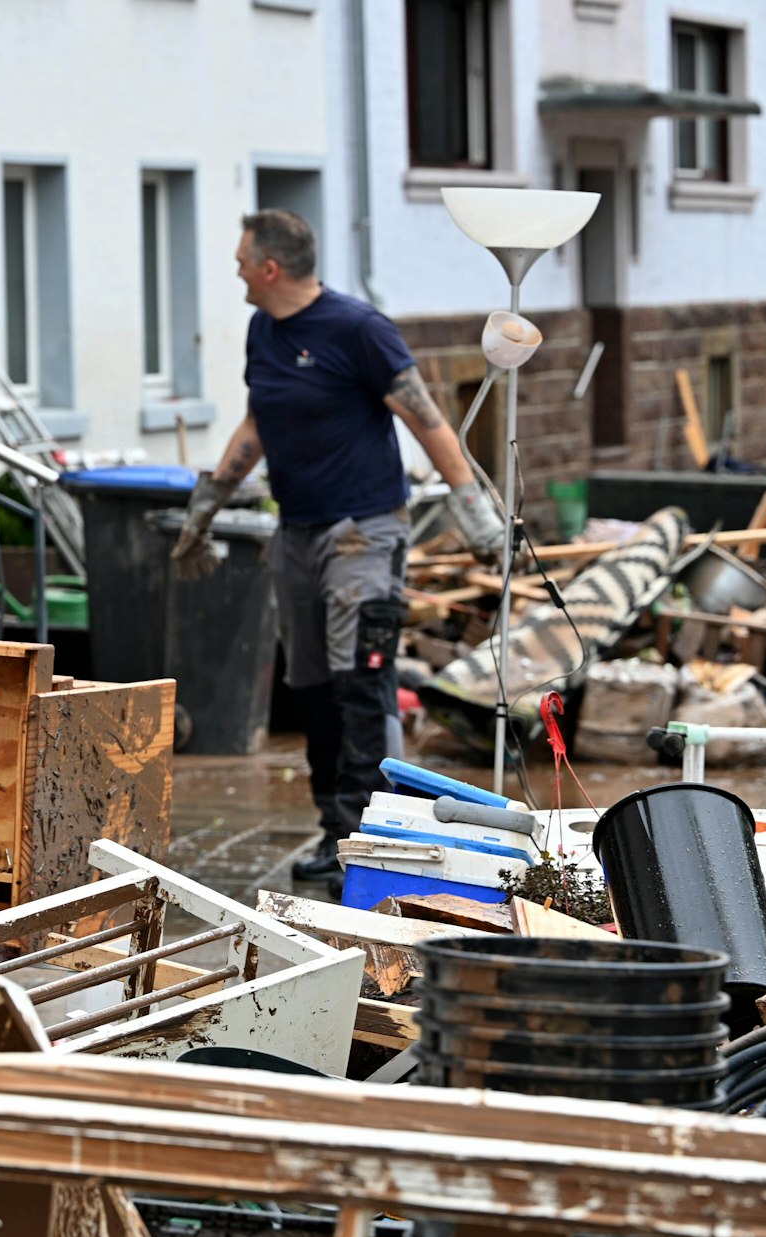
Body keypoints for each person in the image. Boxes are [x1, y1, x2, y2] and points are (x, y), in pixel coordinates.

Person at [172, 209, 505, 882]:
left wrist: (477, 515)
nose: (235, 269)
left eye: (241, 260)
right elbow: (258, 419)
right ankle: (335, 826)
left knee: (360, 678)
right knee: (310, 685)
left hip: (362, 529)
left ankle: (368, 827)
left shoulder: (358, 329)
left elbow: (427, 418)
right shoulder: (262, 330)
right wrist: (205, 506)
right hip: (295, 529)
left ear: (270, 268)